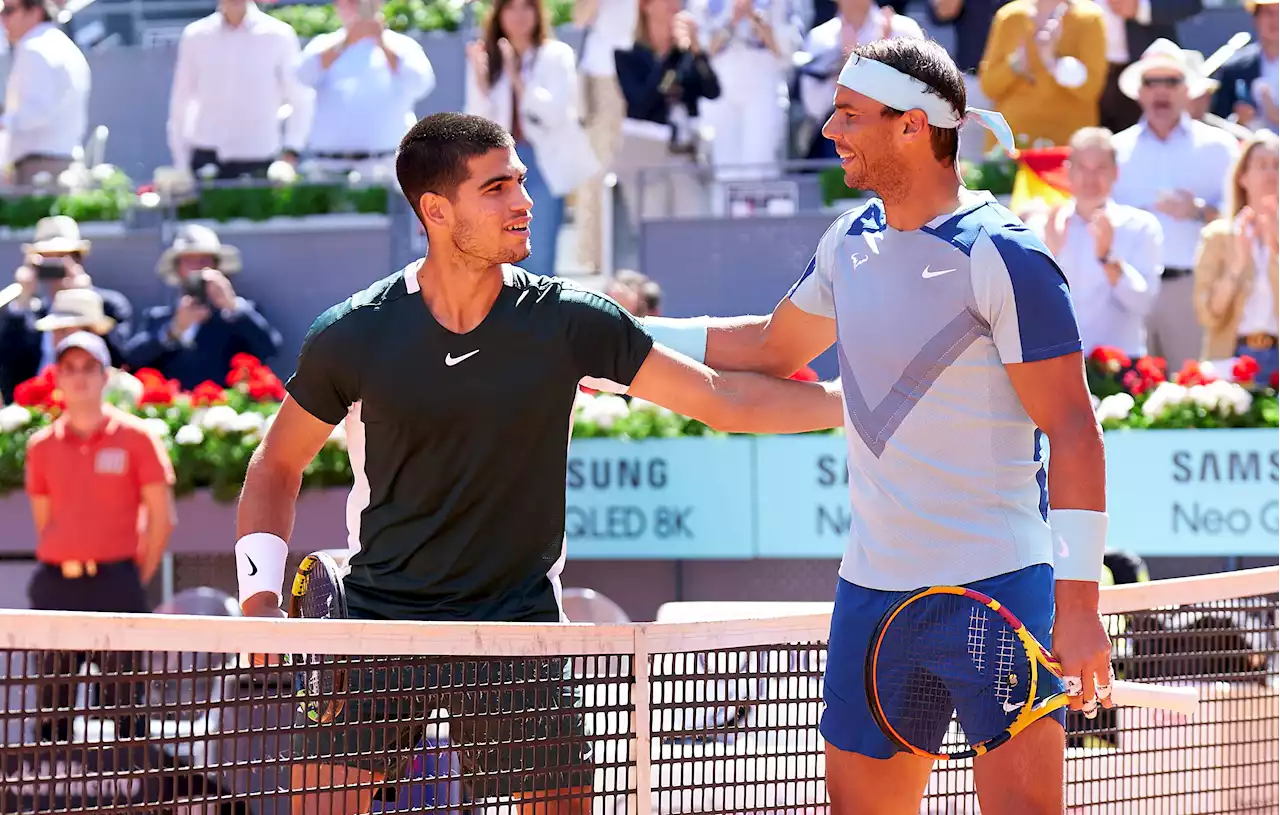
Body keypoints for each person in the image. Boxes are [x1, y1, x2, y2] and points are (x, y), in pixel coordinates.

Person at [233, 112, 842, 815]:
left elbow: (723, 400)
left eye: (521, 181)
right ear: (436, 210)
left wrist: (857, 405)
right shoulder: (354, 332)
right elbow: (274, 467)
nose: (523, 201)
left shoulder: (566, 320)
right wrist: (259, 603)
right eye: (497, 187)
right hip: (379, 623)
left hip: (517, 626)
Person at [599, 36, 1114, 814]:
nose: (831, 131)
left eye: (849, 114)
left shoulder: (1005, 253)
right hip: (870, 594)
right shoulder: (850, 240)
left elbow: (1076, 430)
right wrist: (609, 332)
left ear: (913, 125)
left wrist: (1079, 607)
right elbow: (770, 347)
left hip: (998, 589)